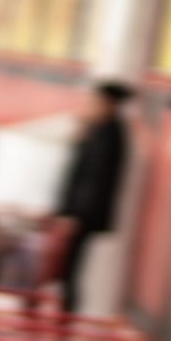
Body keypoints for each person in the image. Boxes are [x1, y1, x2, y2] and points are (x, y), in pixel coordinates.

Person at [49, 79, 133, 312]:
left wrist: (76, 215)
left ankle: (65, 322)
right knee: (63, 272)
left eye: (96, 102)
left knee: (69, 273)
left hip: (81, 217)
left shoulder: (111, 135)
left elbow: (96, 181)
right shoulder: (98, 130)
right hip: (76, 214)